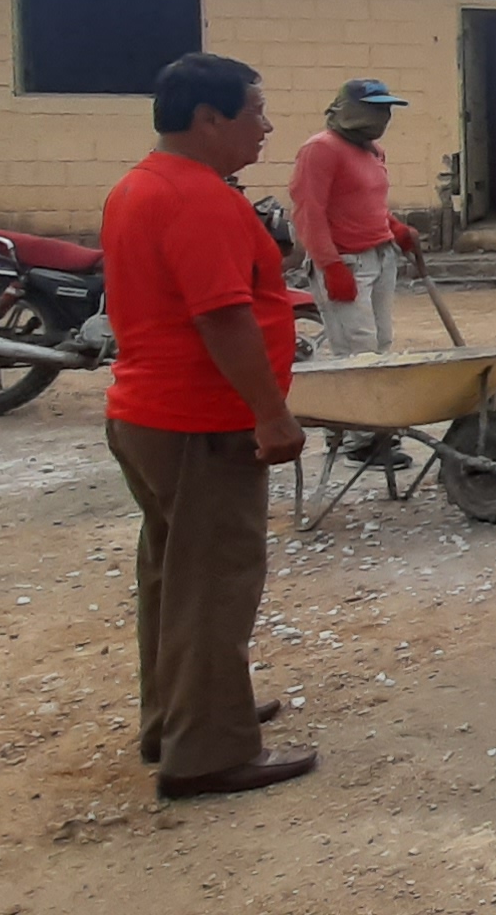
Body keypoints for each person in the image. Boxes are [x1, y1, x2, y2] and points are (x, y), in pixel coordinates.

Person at [99, 52, 317, 798]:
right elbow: (221, 317)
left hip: (149, 415)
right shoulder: (199, 199)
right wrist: (271, 414)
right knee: (215, 584)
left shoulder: (139, 185)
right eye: (255, 112)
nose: (267, 127)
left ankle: (183, 715)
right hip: (199, 422)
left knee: (173, 577)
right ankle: (207, 753)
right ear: (208, 119)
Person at [290, 79, 418, 468]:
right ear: (348, 109)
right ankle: (359, 440)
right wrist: (330, 265)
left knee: (380, 343)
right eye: (374, 108)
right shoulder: (320, 150)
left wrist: (395, 228)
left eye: (386, 109)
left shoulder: (372, 150)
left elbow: (368, 202)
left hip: (380, 256)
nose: (383, 117)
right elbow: (309, 212)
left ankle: (371, 426)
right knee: (356, 348)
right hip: (346, 261)